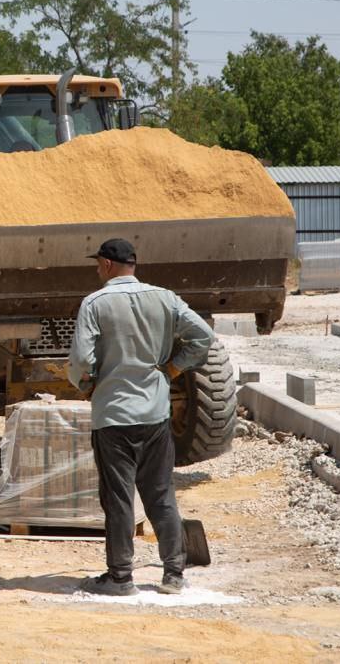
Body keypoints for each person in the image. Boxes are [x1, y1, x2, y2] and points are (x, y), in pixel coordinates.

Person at [67, 238, 214, 595]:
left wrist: (85, 384)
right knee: (161, 494)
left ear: (105, 265)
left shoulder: (95, 303)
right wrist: (174, 368)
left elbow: (83, 361)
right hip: (155, 414)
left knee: (118, 499)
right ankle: (173, 574)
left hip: (113, 417)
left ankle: (120, 577)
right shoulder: (165, 298)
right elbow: (203, 337)